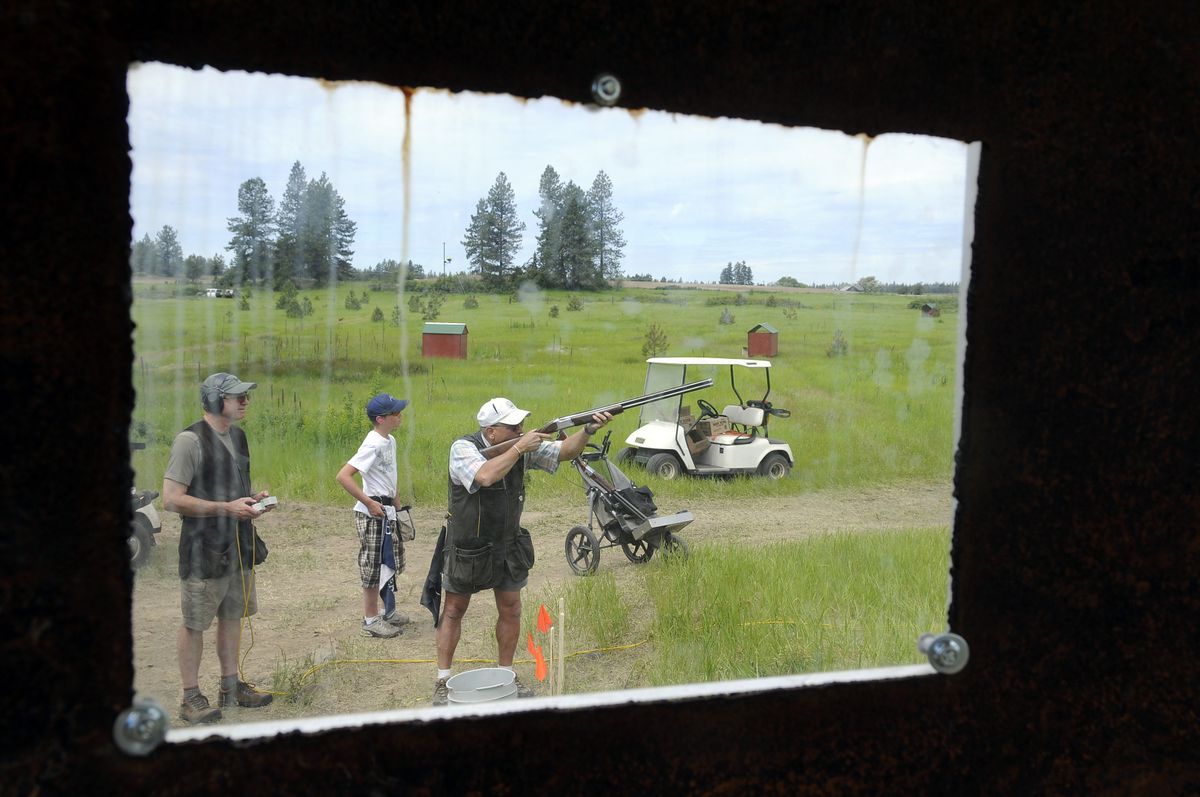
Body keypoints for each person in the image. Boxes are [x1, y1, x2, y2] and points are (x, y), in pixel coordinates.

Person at [432, 397, 613, 705]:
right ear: (491, 432)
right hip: (469, 545)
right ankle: (442, 679)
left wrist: (589, 431)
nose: (521, 430)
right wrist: (518, 448)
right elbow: (485, 476)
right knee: (453, 611)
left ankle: (506, 675)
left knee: (512, 609)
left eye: (521, 425)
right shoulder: (462, 449)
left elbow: (565, 452)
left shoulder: (520, 446)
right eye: (513, 426)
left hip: (507, 542)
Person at [162, 372, 277, 725]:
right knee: (195, 622)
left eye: (246, 395)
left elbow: (230, 488)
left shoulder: (239, 437)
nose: (245, 401)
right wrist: (225, 508)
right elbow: (171, 500)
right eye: (236, 396)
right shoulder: (189, 441)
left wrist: (252, 500)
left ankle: (230, 687)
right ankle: (190, 696)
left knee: (232, 617)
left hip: (238, 545)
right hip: (202, 548)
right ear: (214, 400)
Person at [335, 392, 412, 638]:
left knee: (391, 561)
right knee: (373, 566)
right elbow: (343, 476)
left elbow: (390, 473)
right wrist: (368, 502)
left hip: (387, 510)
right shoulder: (372, 444)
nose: (400, 416)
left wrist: (396, 500)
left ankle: (388, 611)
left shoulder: (389, 441)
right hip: (373, 513)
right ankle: (370, 619)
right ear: (380, 419)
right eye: (395, 413)